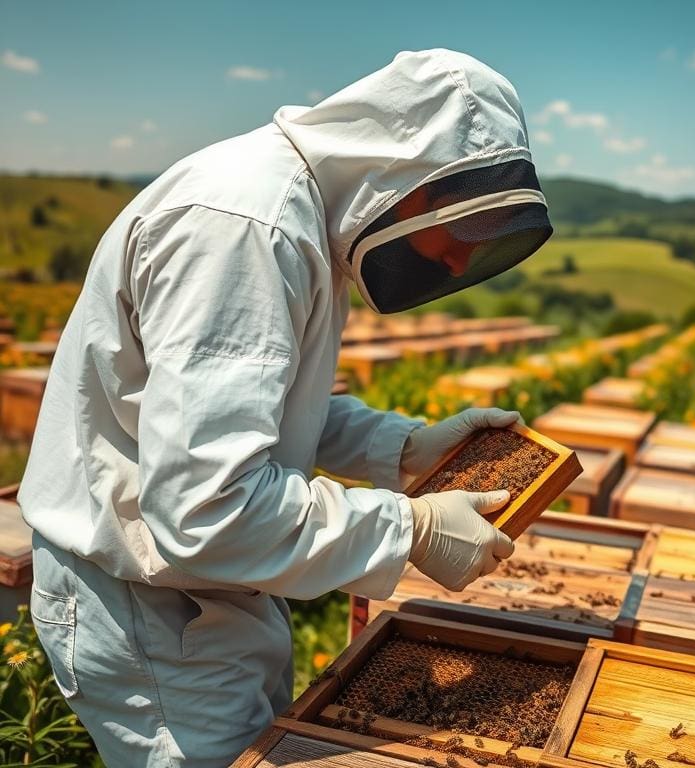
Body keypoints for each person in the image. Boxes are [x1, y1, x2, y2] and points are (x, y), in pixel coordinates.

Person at [19, 48, 552, 767]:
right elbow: (208, 508)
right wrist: (411, 527)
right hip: (152, 607)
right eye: (466, 228)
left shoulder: (295, 216)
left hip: (203, 596)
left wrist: (400, 449)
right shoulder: (248, 228)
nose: (459, 261)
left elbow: (250, 414)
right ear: (413, 181)